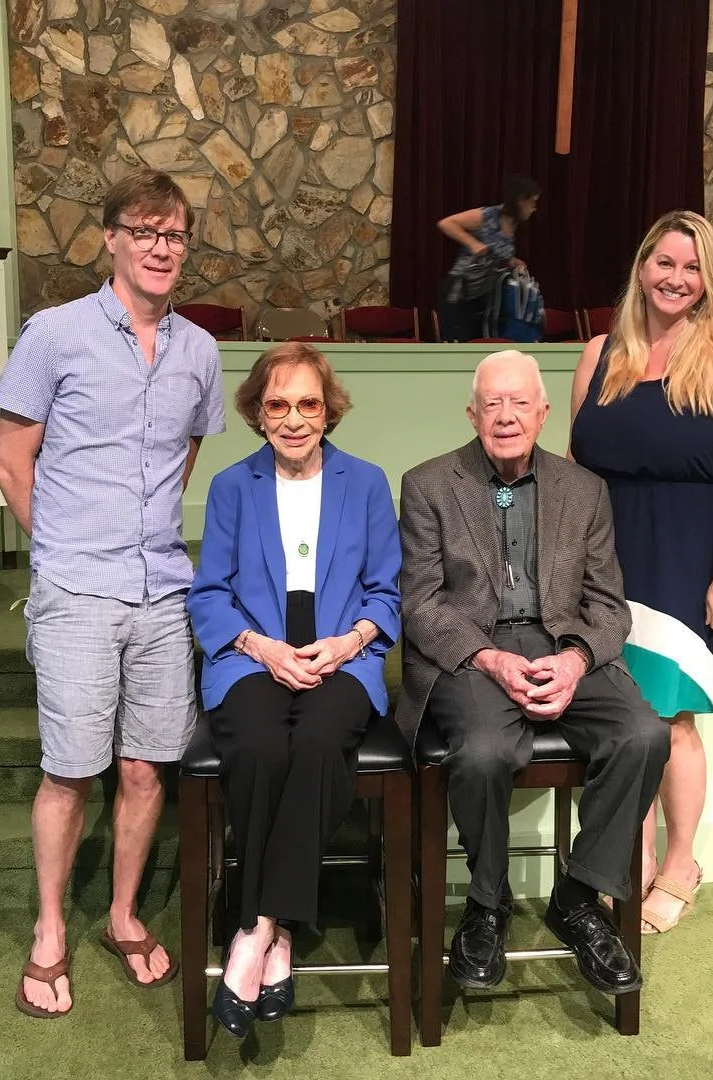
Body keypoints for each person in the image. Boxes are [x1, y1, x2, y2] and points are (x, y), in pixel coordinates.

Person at [0, 168, 225, 1018]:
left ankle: (122, 916)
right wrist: (56, 547)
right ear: (112, 238)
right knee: (70, 771)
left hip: (163, 589)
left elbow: (183, 457)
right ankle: (51, 928)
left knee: (143, 766)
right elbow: (11, 461)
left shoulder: (200, 349)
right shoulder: (52, 335)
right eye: (147, 230)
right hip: (78, 588)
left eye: (177, 234)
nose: (163, 248)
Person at [395, 349, 670, 995]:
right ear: (472, 413)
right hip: (472, 650)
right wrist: (490, 658)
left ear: (544, 412)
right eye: (493, 403)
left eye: (520, 402)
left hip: (563, 645)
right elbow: (421, 602)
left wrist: (574, 661)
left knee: (644, 735)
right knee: (486, 749)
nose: (507, 415)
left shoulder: (585, 490)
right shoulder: (428, 483)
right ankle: (486, 906)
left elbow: (607, 604)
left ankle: (578, 896)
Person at [187, 342, 401, 1039]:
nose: (294, 418)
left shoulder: (366, 482)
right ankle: (275, 933)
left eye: (308, 403)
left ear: (328, 409)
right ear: (257, 412)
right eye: (277, 405)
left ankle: (255, 930)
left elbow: (387, 594)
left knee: (314, 740)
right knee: (255, 744)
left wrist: (346, 644)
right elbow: (209, 595)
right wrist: (262, 648)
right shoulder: (230, 487)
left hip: (343, 652)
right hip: (252, 651)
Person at [570, 210, 713, 934]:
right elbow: (574, 471)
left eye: (692, 269)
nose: (676, 280)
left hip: (684, 560)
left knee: (673, 719)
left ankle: (680, 862)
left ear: (707, 281)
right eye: (665, 264)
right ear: (642, 268)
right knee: (624, 721)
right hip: (605, 562)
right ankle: (633, 854)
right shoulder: (599, 355)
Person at [436, 174, 541, 342]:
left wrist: (512, 261)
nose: (534, 208)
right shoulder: (488, 215)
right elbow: (446, 223)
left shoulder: (513, 223)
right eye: (533, 203)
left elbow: (496, 253)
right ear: (521, 200)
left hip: (484, 296)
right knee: (460, 347)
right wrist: (472, 243)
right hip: (460, 293)